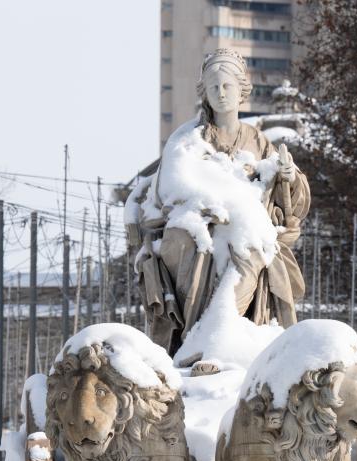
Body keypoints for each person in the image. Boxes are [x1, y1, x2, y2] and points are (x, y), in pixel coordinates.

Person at [131, 49, 311, 358]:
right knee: (186, 241)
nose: (221, 93)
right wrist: (207, 205)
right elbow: (170, 189)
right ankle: (193, 339)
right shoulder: (188, 138)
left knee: (252, 250)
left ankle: (216, 339)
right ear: (205, 93)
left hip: (246, 227)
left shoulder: (258, 141)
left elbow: (289, 199)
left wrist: (287, 176)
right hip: (196, 225)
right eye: (214, 87)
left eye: (227, 85)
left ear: (242, 90)